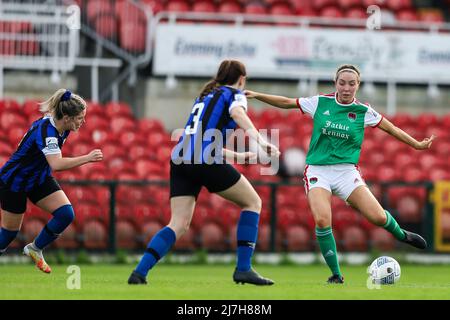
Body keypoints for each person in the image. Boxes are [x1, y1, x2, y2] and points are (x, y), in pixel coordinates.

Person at [245, 64, 435, 284]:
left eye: (351, 84)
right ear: (335, 83)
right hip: (318, 170)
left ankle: (402, 235)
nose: (346, 88)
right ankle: (336, 274)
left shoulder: (364, 112)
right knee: (323, 220)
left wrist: (417, 145)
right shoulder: (320, 102)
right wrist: (257, 95)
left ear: (358, 86)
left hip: (346, 172)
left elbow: (392, 129)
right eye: (342, 83)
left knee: (378, 217)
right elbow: (287, 102)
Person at [128, 60, 280, 285]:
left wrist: (239, 157)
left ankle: (139, 273)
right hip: (204, 160)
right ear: (242, 79)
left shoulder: (205, 96)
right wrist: (261, 141)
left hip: (180, 160)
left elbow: (202, 140)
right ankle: (244, 269)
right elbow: (238, 114)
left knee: (178, 223)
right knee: (253, 203)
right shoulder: (234, 94)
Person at [0, 89, 103, 273]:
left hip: (38, 178)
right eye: (79, 118)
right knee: (9, 233)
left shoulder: (61, 126)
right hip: (14, 181)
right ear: (67, 117)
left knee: (65, 214)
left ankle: (35, 249)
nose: (83, 122)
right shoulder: (47, 131)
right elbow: (56, 163)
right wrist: (87, 158)